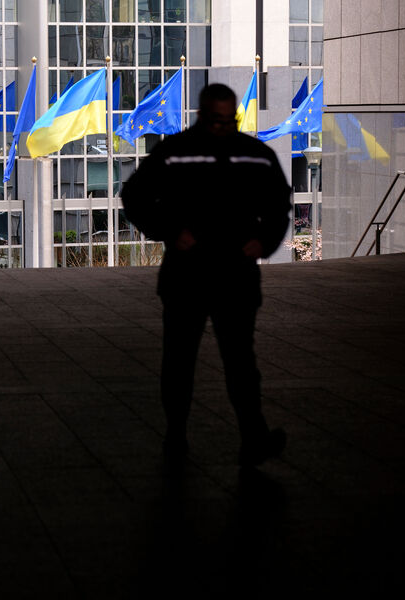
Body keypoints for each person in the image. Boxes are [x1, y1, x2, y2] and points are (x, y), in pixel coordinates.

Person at [120, 83, 291, 468]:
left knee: (234, 362)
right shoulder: (194, 153)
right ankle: (180, 435)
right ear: (201, 115)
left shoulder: (236, 154)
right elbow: (135, 196)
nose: (224, 128)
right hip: (197, 275)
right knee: (185, 361)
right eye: (217, 121)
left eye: (230, 121)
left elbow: (278, 206)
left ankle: (245, 438)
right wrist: (169, 230)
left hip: (219, 273)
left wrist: (264, 241)